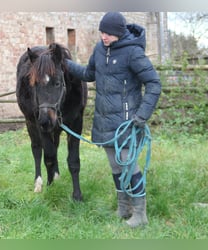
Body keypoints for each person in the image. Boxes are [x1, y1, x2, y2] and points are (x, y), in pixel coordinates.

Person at [65, 12, 162, 228]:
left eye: (108, 33)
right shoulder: (100, 49)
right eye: (101, 32)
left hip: (127, 122)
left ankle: (140, 214)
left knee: (129, 166)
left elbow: (154, 83)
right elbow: (89, 73)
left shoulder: (133, 52)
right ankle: (123, 207)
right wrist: (67, 65)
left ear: (118, 33)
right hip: (104, 120)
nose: (103, 36)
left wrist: (142, 115)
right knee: (115, 166)